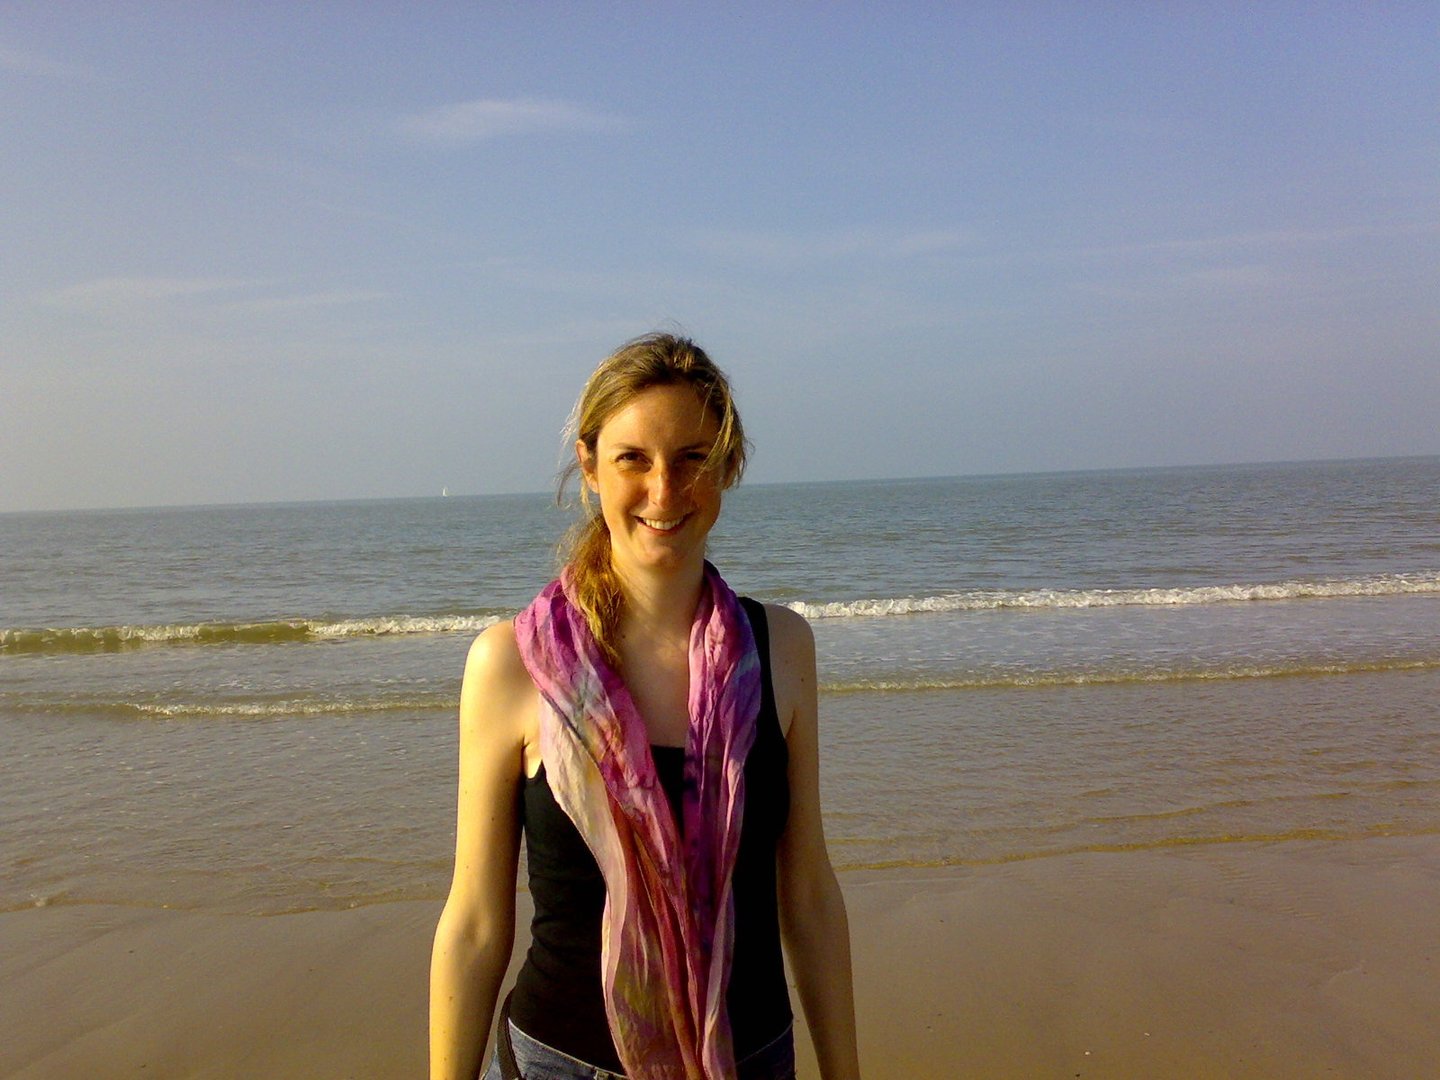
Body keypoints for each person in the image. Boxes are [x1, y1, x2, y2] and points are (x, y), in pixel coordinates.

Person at [430, 333, 860, 1080]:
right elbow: (474, 920)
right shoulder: (511, 665)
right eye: (634, 458)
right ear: (590, 467)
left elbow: (809, 891)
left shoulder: (781, 649)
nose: (665, 490)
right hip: (557, 1065)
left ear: (727, 469)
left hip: (751, 1060)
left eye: (694, 457)